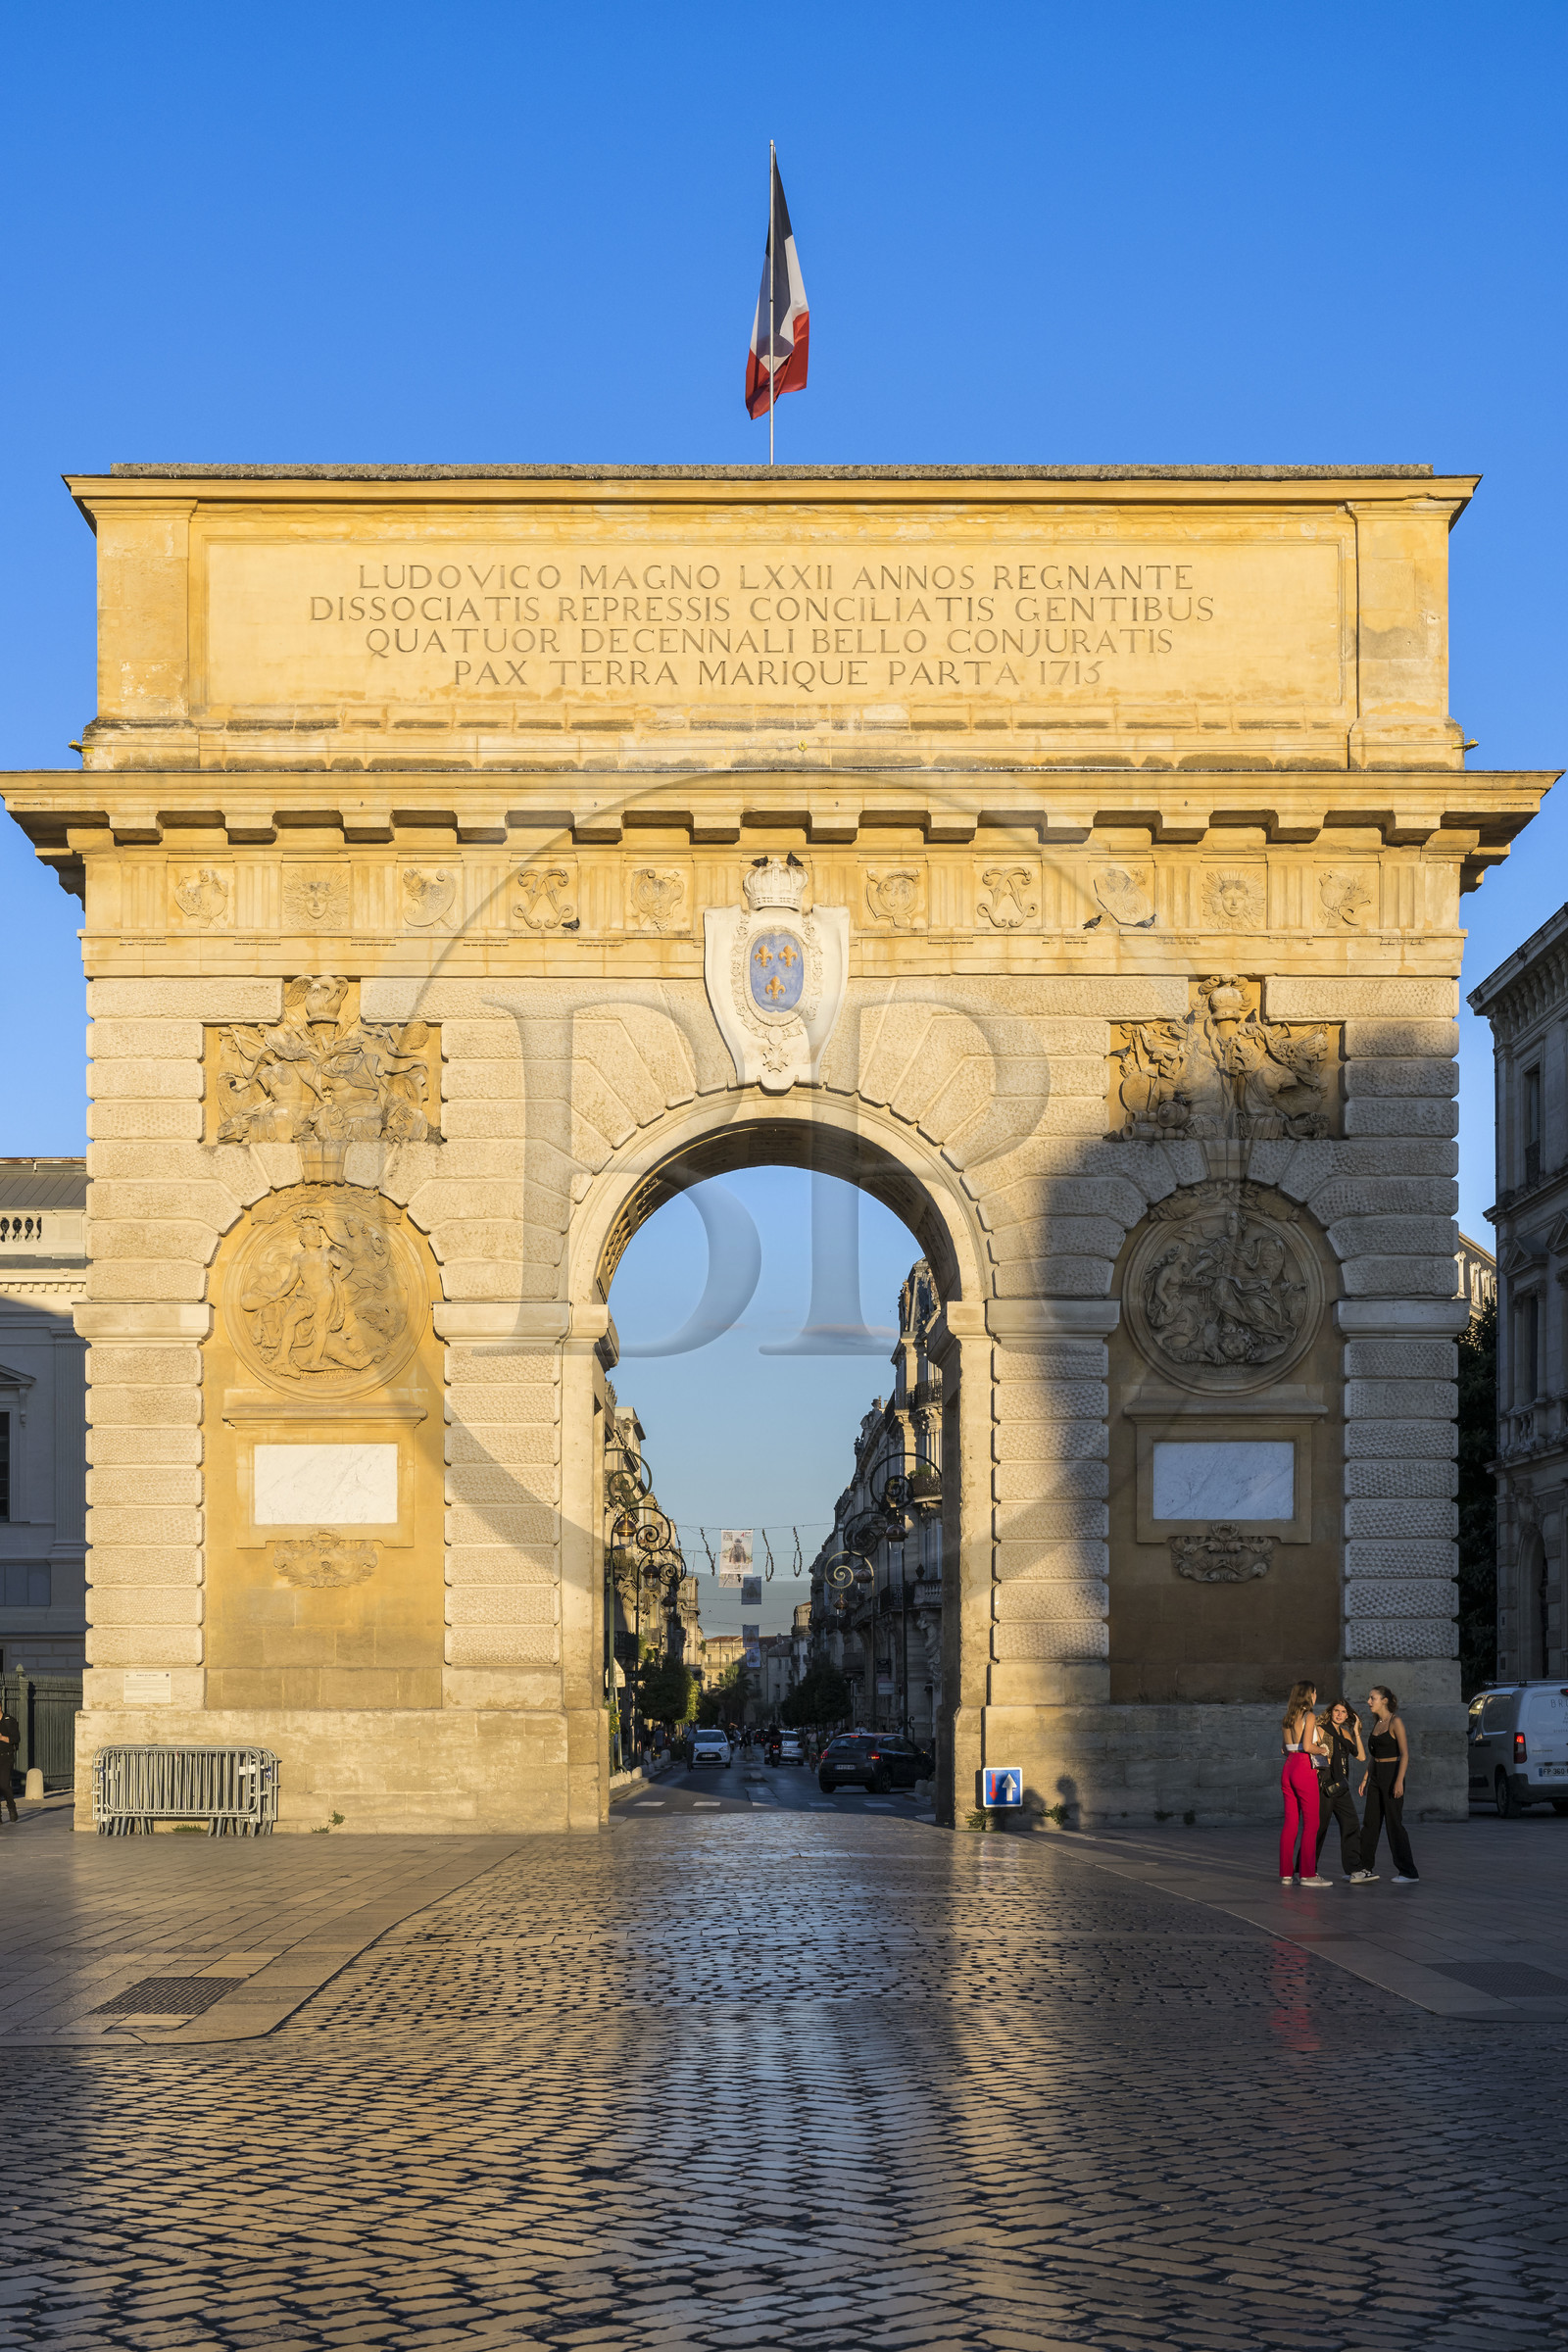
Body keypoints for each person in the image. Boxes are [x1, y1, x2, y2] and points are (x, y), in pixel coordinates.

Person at [1353, 1686, 1418, 1884]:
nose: (1368, 1702)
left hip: (1392, 1775)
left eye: (1372, 1698)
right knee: (1370, 1823)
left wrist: (1399, 1781)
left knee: (1394, 1823)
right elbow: (1374, 1756)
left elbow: (1404, 1754)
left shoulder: (1395, 1721)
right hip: (1376, 1776)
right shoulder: (1377, 1722)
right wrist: (1366, 1778)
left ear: (1384, 1700)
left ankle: (1408, 1872)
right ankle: (1364, 1868)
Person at [1280, 1680, 1331, 1886]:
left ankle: (1286, 1874)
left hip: (1288, 1767)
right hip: (1303, 1767)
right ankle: (1308, 1874)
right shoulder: (1309, 1716)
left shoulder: (1287, 1718)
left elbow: (1284, 1749)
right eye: (1314, 1693)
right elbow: (1308, 1746)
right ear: (1309, 1695)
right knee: (1312, 1823)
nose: (1316, 1696)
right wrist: (1323, 1750)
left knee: (1291, 1822)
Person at [1312, 1699, 1366, 1880]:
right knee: (1319, 1828)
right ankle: (1306, 1869)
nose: (1339, 1714)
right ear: (1330, 1712)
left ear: (1347, 1715)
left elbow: (1361, 1757)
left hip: (1341, 1786)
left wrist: (1356, 1732)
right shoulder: (1320, 1729)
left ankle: (1354, 1869)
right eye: (1336, 1710)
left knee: (1351, 1823)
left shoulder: (1345, 1733)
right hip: (1324, 1785)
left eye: (1343, 1712)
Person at [0, 1701, 18, 1825]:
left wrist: (2, 1738)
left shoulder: (9, 1721)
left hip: (6, 1757)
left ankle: (11, 1807)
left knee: (4, 1785)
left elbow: (16, 1739)